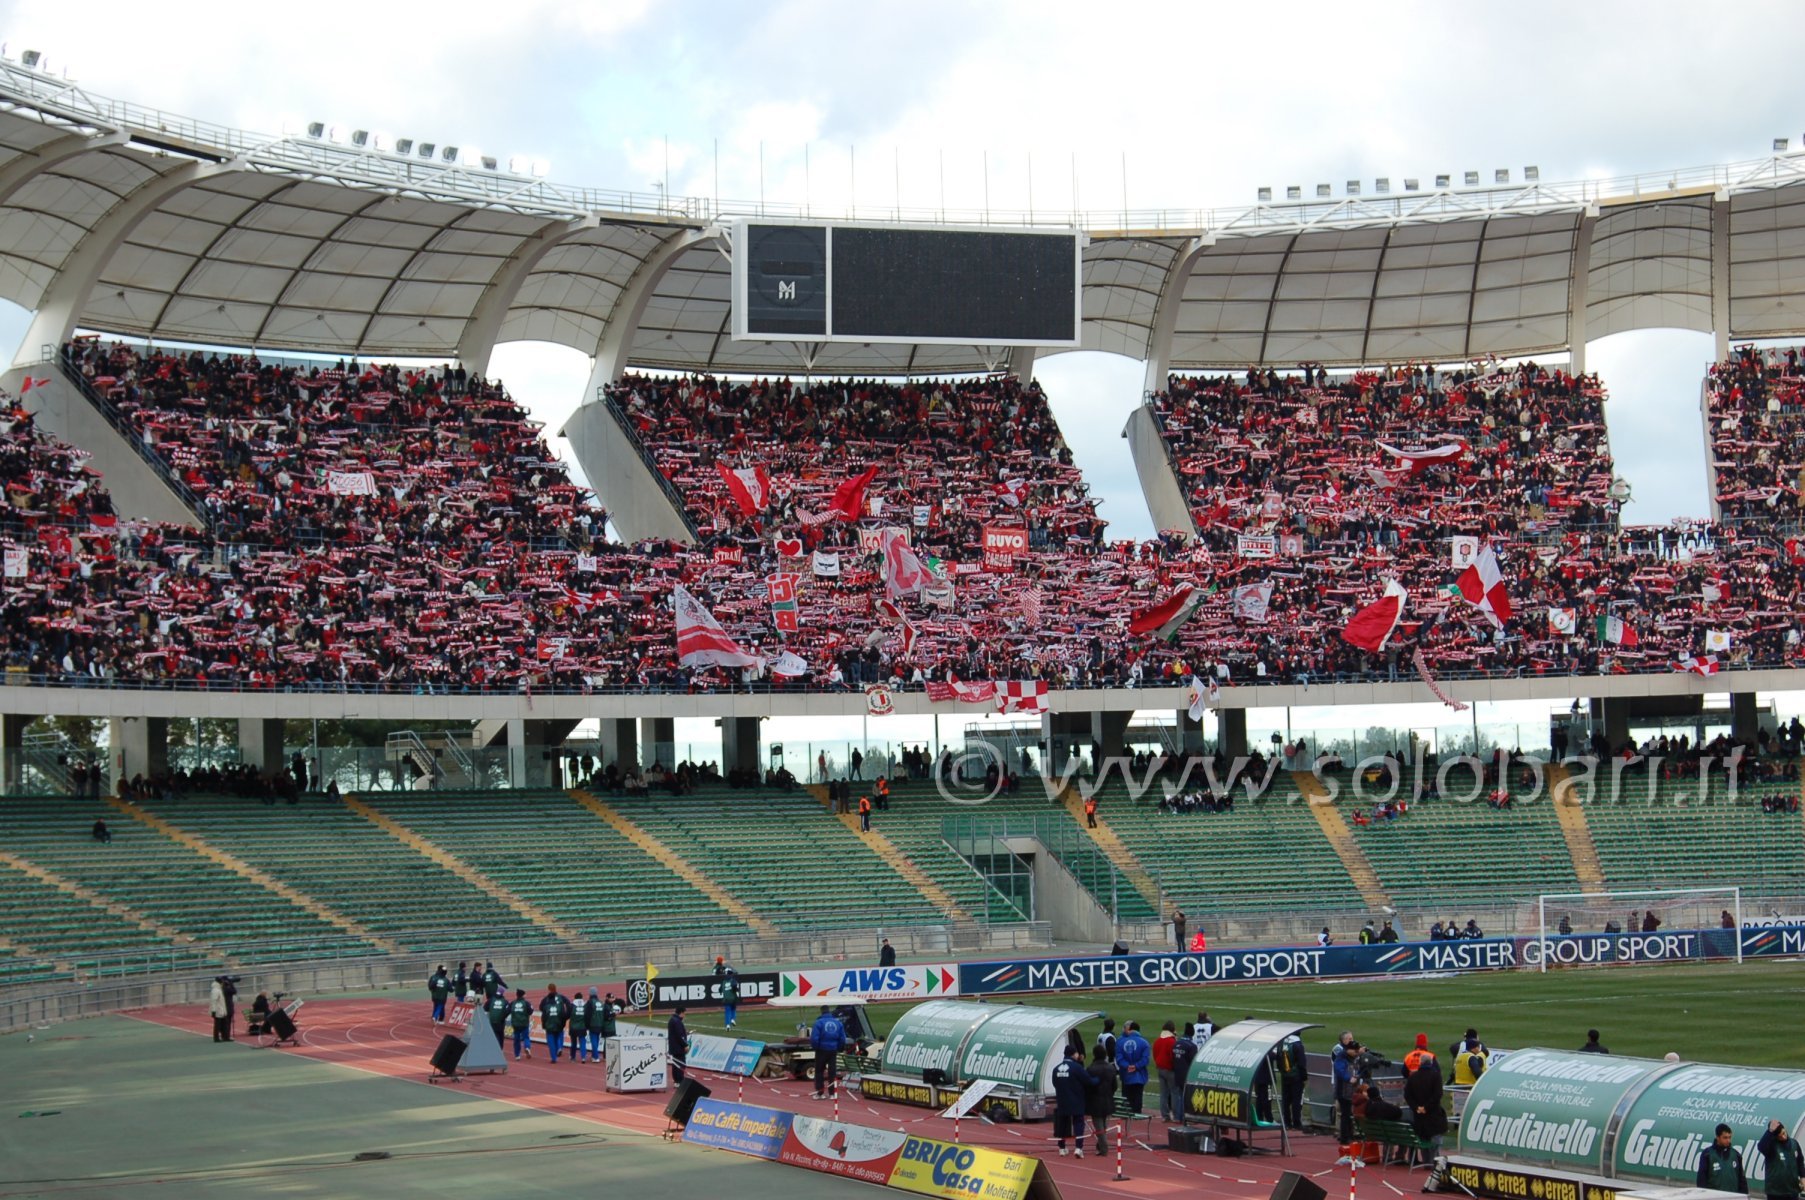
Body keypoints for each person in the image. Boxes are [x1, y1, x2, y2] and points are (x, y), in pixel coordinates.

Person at [1051, 1044, 1098, 1157]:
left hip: (1062, 1100)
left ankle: (1062, 1148)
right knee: (1078, 1123)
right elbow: (1089, 1081)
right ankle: (1078, 1148)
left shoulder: (1056, 1069)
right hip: (1076, 1100)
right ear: (1074, 1054)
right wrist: (1099, 1079)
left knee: (1062, 1125)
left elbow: (1054, 1083)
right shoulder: (1077, 1068)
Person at [1404, 1057, 1449, 1163]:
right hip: (1433, 1113)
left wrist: (1417, 1107)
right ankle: (1434, 1161)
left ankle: (1426, 1161)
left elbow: (1407, 1095)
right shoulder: (1435, 1076)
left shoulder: (1413, 1077)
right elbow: (1438, 1094)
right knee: (1435, 1137)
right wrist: (1426, 1107)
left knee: (1423, 1136)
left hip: (1419, 1115)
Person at [1087, 1044, 1120, 1153]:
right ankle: (1100, 1145)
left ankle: (1103, 1146)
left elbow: (1088, 1085)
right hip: (1108, 1099)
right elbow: (1115, 1086)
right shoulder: (1111, 1068)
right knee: (1104, 1125)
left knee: (1099, 1126)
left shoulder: (1091, 1069)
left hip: (1095, 1100)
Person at [1697, 1123, 1748, 1193]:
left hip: (1732, 1197)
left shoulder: (1736, 1155)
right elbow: (1701, 1179)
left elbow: (1742, 1179)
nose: (1728, 1140)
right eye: (1725, 1137)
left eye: (1729, 1137)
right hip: (1714, 1197)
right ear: (1717, 1137)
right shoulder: (1707, 1155)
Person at [1759, 1119, 1803, 1200]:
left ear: (1785, 1128)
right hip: (1775, 1192)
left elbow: (1800, 1162)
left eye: (1783, 1133)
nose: (1783, 1137)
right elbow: (1761, 1147)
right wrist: (1770, 1131)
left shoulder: (1794, 1144)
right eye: (1780, 1136)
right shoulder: (1771, 1146)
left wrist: (1803, 1177)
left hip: (1792, 1190)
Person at [1115, 1020, 1151, 1115]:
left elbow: (1119, 1059)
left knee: (1126, 1097)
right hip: (1139, 1075)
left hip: (1126, 1074)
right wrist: (1136, 1066)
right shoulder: (1144, 1043)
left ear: (1129, 1030)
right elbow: (1145, 1059)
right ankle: (1136, 1115)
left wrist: (1128, 1066)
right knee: (1137, 1097)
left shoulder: (1120, 1042)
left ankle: (1127, 1114)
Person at [811, 1005, 846, 1099]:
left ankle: (820, 1093)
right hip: (833, 1050)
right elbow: (842, 1038)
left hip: (821, 1050)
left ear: (821, 1012)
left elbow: (814, 1038)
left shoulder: (819, 1022)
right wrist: (839, 1048)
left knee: (819, 1072)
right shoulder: (837, 1023)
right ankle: (832, 1094)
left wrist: (816, 1048)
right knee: (832, 1072)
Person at [1277, 1032, 1308, 1129]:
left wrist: (1282, 1071)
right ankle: (1296, 1123)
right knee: (1296, 1100)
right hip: (1296, 1076)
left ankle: (1286, 1122)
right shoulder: (1298, 1045)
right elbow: (1302, 1063)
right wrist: (1304, 1077)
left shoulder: (1282, 1043)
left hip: (1285, 1075)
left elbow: (1278, 1059)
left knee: (1286, 1100)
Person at [1333, 1031, 1357, 1153]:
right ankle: (1345, 1137)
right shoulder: (1341, 1055)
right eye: (1349, 1038)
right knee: (1345, 1114)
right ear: (1343, 1041)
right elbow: (1339, 1070)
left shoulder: (1347, 1054)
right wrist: (1349, 1078)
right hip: (1343, 1090)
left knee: (1349, 1114)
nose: (1352, 1040)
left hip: (1350, 1090)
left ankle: (1349, 1135)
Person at [1153, 1020, 1180, 1122]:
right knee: (1174, 1093)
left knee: (1163, 1093)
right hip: (1169, 1069)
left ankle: (1165, 1115)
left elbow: (1155, 1054)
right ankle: (1176, 1116)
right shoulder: (1172, 1041)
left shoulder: (1158, 1041)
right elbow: (1173, 1057)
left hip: (1160, 1069)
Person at [540, 983, 570, 1064]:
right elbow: (568, 1003)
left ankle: (554, 1058)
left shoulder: (546, 1000)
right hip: (559, 1023)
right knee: (559, 1036)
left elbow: (542, 1011)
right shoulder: (561, 997)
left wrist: (544, 1025)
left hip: (549, 1025)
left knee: (551, 1041)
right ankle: (560, 1047)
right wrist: (565, 1016)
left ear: (549, 989)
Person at [590, 989, 617, 1064]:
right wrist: (612, 1015)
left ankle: (607, 1055)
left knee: (610, 1041)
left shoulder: (610, 1005)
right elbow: (606, 1017)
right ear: (607, 998)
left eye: (613, 998)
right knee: (607, 1042)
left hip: (611, 1027)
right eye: (611, 998)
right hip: (607, 1027)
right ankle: (605, 1056)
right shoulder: (605, 1006)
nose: (612, 999)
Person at [508, 988, 534, 1060]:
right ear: (523, 995)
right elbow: (531, 1012)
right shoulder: (526, 1003)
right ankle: (527, 1047)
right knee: (526, 1037)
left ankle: (517, 1055)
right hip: (524, 1023)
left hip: (515, 1024)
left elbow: (507, 1010)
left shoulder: (513, 1003)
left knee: (516, 1039)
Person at [208, 975, 236, 1042]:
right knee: (217, 1025)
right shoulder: (216, 990)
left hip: (221, 1009)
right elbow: (214, 1001)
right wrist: (214, 1010)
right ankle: (216, 1038)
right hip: (218, 1010)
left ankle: (225, 1037)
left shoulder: (218, 989)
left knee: (224, 1024)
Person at [668, 1005, 690, 1084]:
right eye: (684, 1013)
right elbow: (679, 1036)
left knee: (675, 1065)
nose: (685, 1015)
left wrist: (685, 1033)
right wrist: (685, 1045)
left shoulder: (672, 1020)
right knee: (680, 1064)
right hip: (678, 1048)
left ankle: (676, 1081)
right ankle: (679, 1081)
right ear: (681, 1013)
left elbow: (676, 1033)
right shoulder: (677, 1022)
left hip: (673, 1047)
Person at [569, 987, 590, 1063]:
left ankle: (573, 1058)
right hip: (582, 1027)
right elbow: (587, 1016)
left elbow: (568, 1015)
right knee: (582, 1042)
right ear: (581, 998)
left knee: (573, 1043)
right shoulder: (585, 1005)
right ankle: (583, 1057)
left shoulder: (572, 1005)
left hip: (573, 1027)